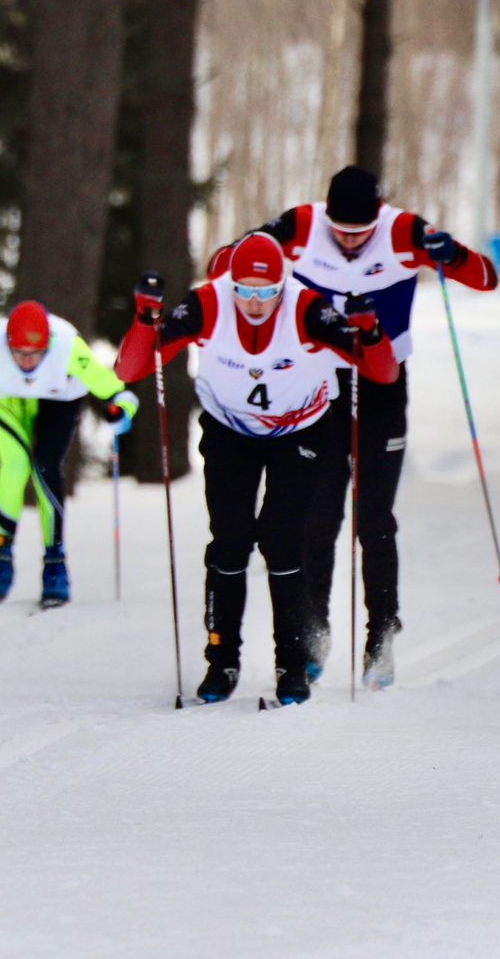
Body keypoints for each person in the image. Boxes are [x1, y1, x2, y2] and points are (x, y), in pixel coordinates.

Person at [208, 166, 499, 688]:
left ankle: (381, 633)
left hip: (383, 382)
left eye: (359, 234)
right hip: (324, 385)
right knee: (319, 517)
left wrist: (450, 254)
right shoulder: (301, 225)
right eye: (340, 230)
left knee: (374, 517)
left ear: (378, 219)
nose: (347, 241)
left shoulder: (404, 231)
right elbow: (237, 258)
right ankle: (314, 631)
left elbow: (485, 278)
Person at [115, 234, 398, 705]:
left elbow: (381, 371)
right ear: (229, 282)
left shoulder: (307, 308)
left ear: (282, 287)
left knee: (282, 541)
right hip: (229, 431)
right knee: (229, 542)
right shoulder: (208, 302)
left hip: (300, 432)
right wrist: (145, 320)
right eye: (244, 289)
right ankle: (221, 662)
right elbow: (132, 368)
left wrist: (368, 331)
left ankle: (293, 665)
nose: (253, 302)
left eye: (266, 292)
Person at [0, 300, 139, 606]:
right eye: (20, 354)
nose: (27, 361)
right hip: (11, 399)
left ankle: (55, 563)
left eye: (35, 353)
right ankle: (0, 558)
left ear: (48, 345)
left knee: (45, 467)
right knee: (13, 467)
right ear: (8, 345)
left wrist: (121, 410)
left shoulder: (69, 348)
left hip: (60, 399)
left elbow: (119, 390)